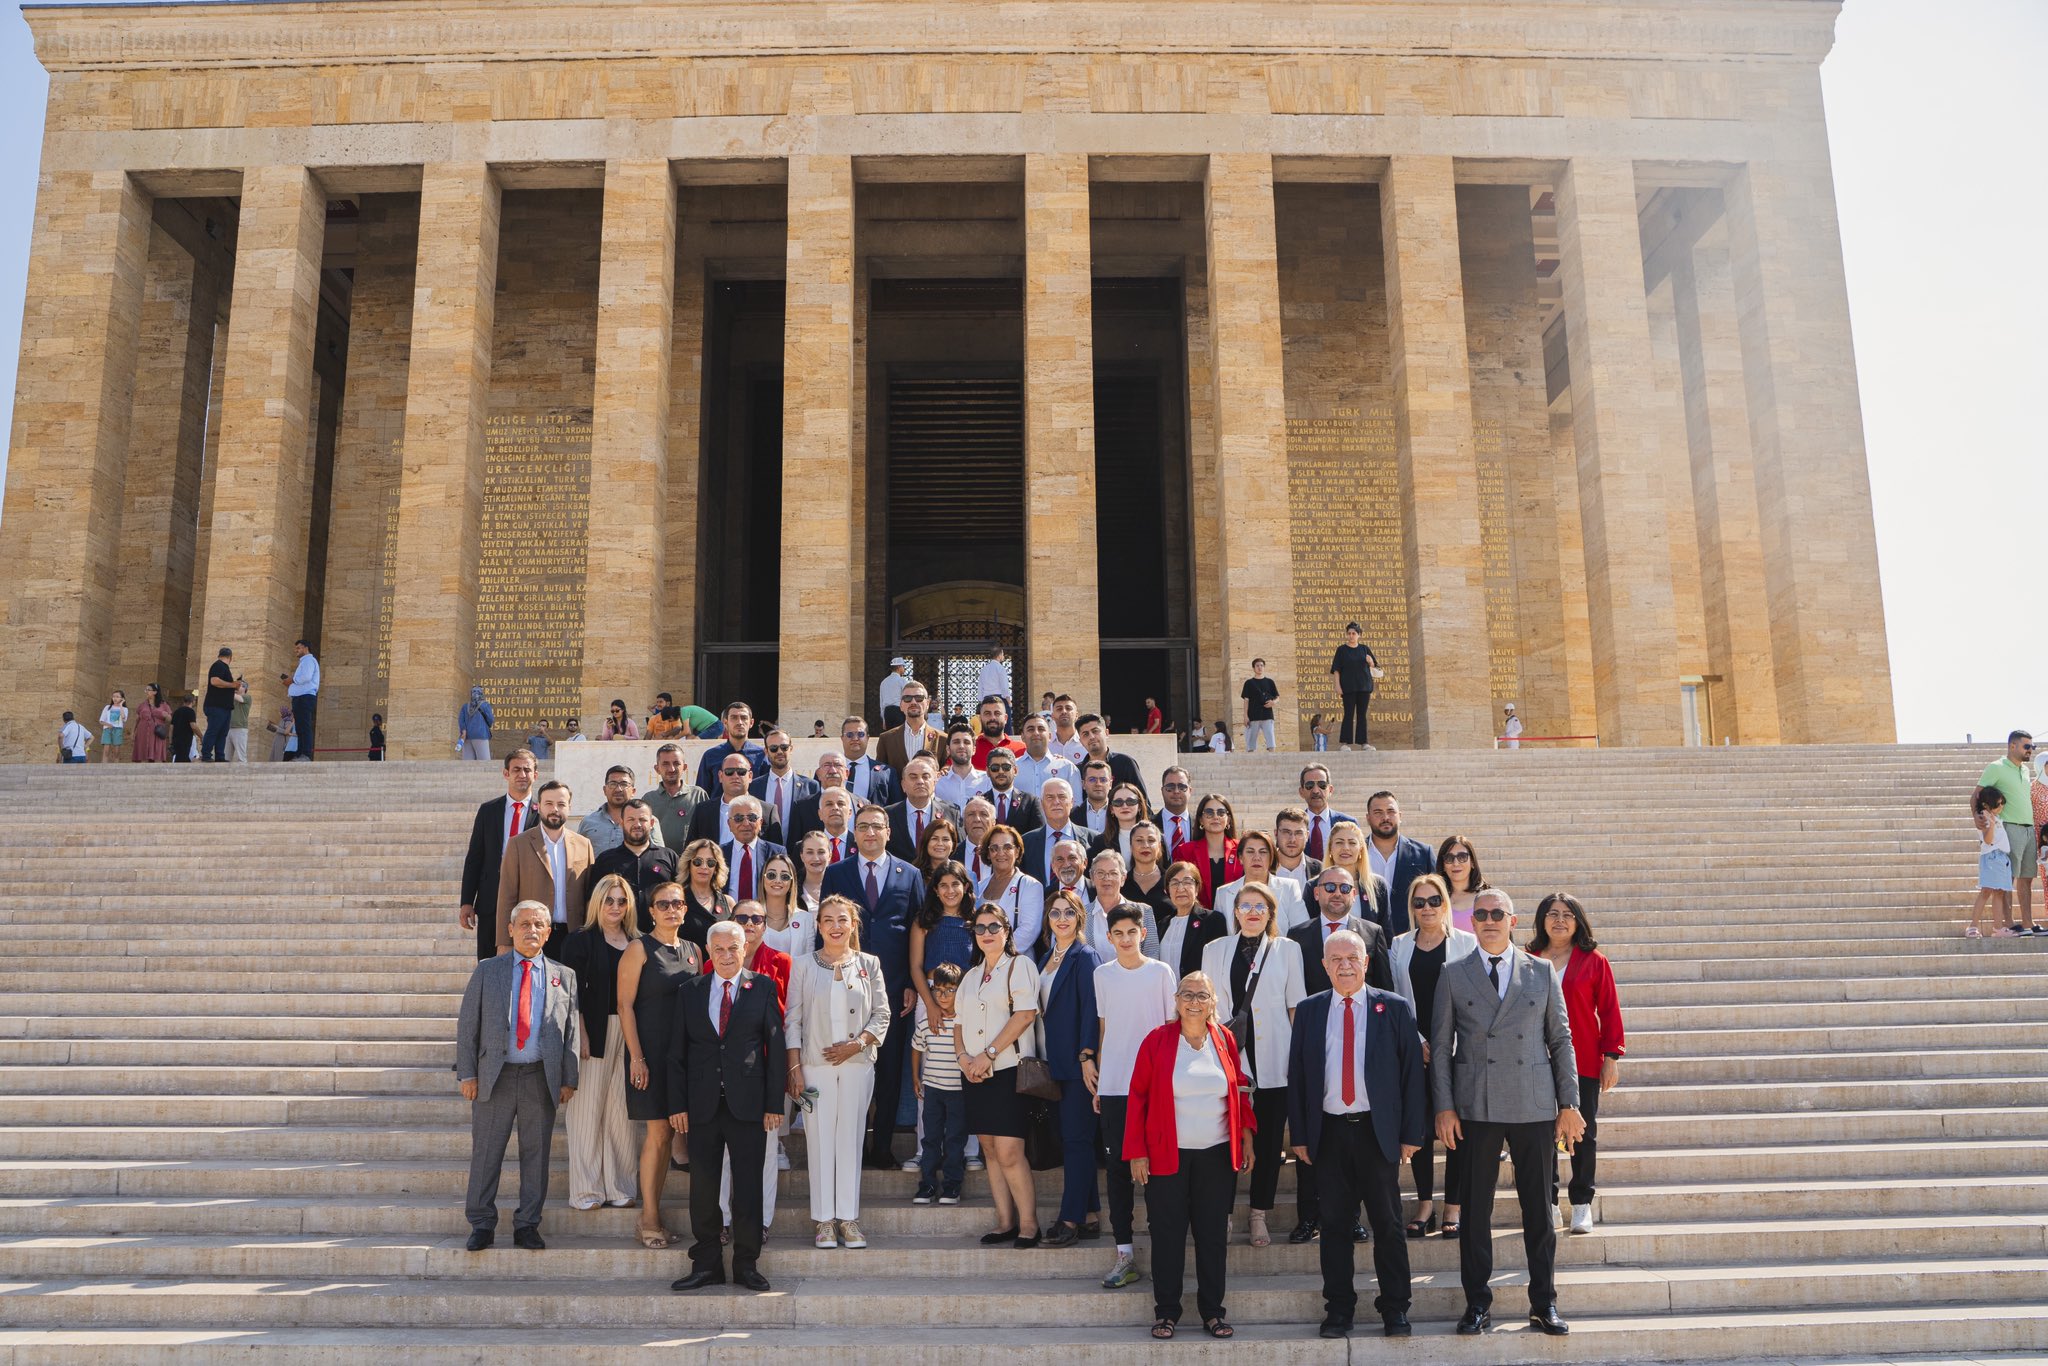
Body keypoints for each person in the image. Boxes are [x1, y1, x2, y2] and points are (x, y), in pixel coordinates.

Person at [1432, 889, 1583, 1337]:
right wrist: (1443, 1105)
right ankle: (1477, 1304)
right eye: (1481, 914)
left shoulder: (1542, 971)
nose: (1490, 920)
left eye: (1498, 913)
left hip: (1534, 1104)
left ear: (1513, 920)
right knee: (1475, 1212)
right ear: (1470, 922)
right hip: (1476, 1106)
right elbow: (1441, 1046)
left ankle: (1544, 1304)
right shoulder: (1453, 973)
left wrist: (1570, 1103)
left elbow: (1561, 1040)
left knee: (1539, 1210)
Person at [1287, 928, 1425, 1340]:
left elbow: (1410, 1078)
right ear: (1324, 965)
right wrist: (1299, 1134)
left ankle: (1395, 1309)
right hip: (1327, 1134)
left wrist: (1410, 1134)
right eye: (1337, 959)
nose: (1345, 965)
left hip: (1377, 1133)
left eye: (1353, 958)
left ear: (1366, 962)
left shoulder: (1394, 1008)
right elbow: (1297, 1077)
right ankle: (1339, 1311)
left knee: (1388, 1225)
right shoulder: (1310, 1010)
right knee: (1333, 1228)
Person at [1124, 970, 1255, 1339]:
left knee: (1213, 1236)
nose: (1194, 1002)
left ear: (1214, 1003)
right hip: (1167, 1156)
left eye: (1202, 995)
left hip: (1216, 1156)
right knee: (1167, 1235)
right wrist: (1137, 1152)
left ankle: (1213, 1312)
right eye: (1187, 994)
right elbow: (1137, 1099)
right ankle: (1167, 1312)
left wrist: (1246, 1137)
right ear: (1176, 1000)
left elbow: (1239, 1091)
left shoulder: (1224, 1038)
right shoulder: (1157, 1041)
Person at [667, 921, 786, 1293]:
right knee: (703, 1188)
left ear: (745, 948)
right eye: (718, 949)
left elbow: (776, 1048)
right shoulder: (691, 990)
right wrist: (677, 1105)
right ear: (708, 951)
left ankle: (747, 1264)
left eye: (733, 947)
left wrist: (773, 1102)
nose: (726, 955)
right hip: (701, 1106)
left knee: (748, 1188)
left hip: (749, 1105)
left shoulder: (763, 987)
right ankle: (706, 1264)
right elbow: (676, 1053)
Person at [456, 900, 580, 1251]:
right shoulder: (488, 971)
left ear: (549, 931)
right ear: (510, 929)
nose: (532, 930)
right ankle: (481, 1223)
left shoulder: (563, 975)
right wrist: (467, 1073)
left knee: (536, 1154)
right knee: (486, 1152)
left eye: (539, 924)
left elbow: (570, 1030)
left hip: (540, 1076)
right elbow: (468, 1026)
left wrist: (569, 1078)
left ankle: (527, 1224)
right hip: (495, 1076)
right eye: (524, 924)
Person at [1201, 881, 1305, 1249]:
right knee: (1226, 1140)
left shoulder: (1287, 950)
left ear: (1271, 913)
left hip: (1275, 1059)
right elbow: (1207, 1007)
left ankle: (1259, 1214)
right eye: (1245, 906)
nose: (1252, 913)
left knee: (1269, 1140)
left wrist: (1299, 1059)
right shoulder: (1214, 949)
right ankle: (1224, 1214)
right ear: (1235, 912)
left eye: (1260, 907)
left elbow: (1296, 1007)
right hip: (1229, 1061)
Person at [820, 805, 925, 1169]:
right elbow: (828, 928)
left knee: (890, 1070)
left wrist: (914, 982)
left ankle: (881, 1147)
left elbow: (916, 928)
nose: (869, 833)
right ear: (854, 831)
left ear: (888, 831)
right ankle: (850, 1146)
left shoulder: (909, 874)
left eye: (876, 827)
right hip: (846, 986)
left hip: (895, 988)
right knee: (850, 1070)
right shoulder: (836, 873)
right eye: (862, 826)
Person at [785, 895, 890, 1249]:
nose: (835, 926)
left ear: (853, 924)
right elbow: (793, 1020)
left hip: (858, 1065)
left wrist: (858, 1044)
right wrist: (795, 1067)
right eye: (828, 919)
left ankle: (848, 1219)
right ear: (818, 926)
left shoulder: (869, 963)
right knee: (818, 1142)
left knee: (850, 1139)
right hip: (814, 1068)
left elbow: (882, 1013)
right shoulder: (802, 965)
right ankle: (824, 1221)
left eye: (842, 919)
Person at [1087, 904, 1177, 1288]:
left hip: (1156, 1088)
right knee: (1119, 1176)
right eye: (1118, 933)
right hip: (1114, 1089)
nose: (1125, 939)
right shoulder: (1102, 975)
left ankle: (1164, 1255)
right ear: (1109, 938)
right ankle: (1124, 1254)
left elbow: (1172, 1029)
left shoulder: (1161, 972)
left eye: (1131, 932)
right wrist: (1105, 1079)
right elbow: (1105, 1029)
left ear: (1143, 934)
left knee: (1159, 1173)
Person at [1529, 892, 1624, 1234]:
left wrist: (1611, 1057)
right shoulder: (1527, 957)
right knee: (1541, 1133)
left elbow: (1610, 1010)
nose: (1559, 920)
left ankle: (1581, 1202)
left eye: (1567, 914)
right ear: (1542, 920)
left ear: (1578, 920)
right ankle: (1549, 1203)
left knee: (1583, 1132)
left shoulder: (1594, 960)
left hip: (1582, 1060)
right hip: (1535, 1060)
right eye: (1552, 914)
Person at [616, 882, 704, 1249]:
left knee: (674, 1134)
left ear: (685, 909)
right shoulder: (638, 949)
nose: (671, 909)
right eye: (663, 903)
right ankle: (649, 1217)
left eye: (677, 903)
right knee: (658, 1135)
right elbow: (624, 1007)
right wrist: (637, 1057)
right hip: (649, 1056)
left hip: (684, 1058)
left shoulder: (694, 950)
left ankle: (655, 1215)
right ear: (650, 910)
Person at [1388, 870, 1476, 1237]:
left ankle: (1453, 1204)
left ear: (1445, 902)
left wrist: (1444, 1042)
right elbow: (1396, 1000)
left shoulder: (1467, 943)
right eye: (1419, 902)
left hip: (1458, 1049)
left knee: (1456, 1129)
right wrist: (1418, 1039)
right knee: (1421, 1128)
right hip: (1416, 1050)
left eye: (1434, 900)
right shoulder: (1398, 946)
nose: (1427, 908)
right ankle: (1425, 1203)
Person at [955, 903, 1042, 1246]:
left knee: (1008, 1151)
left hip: (1007, 1070)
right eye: (980, 928)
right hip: (975, 1072)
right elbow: (958, 1023)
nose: (987, 934)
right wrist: (964, 1058)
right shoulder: (971, 975)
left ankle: (1029, 1224)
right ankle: (1005, 1222)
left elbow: (1024, 1015)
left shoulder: (1020, 966)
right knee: (989, 1149)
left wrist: (988, 1055)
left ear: (1006, 931)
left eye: (994, 927)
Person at [559, 876, 640, 1210]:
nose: (616, 907)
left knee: (622, 1114)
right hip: (593, 1029)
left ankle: (619, 1187)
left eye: (622, 901)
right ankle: (586, 1190)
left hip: (629, 1030)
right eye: (609, 900)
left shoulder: (637, 940)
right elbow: (569, 991)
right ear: (597, 902)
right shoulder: (580, 941)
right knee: (587, 1112)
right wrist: (581, 1032)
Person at [720, 900, 794, 1240]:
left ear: (766, 925)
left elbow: (789, 1021)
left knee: (764, 1150)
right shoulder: (713, 963)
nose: (750, 923)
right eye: (742, 918)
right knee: (721, 1151)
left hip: (765, 1069)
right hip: (723, 1072)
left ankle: (761, 1221)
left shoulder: (782, 963)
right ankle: (721, 1218)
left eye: (757, 919)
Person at [1034, 887, 1103, 1247]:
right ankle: (1091, 1213)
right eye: (1056, 912)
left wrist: (1088, 1055)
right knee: (1073, 1141)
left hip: (1077, 1065)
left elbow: (1093, 1010)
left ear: (1080, 917)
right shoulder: (1048, 956)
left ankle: (1071, 1219)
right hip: (1052, 1062)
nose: (1061, 918)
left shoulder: (1085, 956)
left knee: (1076, 1141)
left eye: (1069, 912)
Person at [496, 780, 595, 958]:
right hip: (533, 936)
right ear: (538, 807)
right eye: (549, 804)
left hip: (574, 936)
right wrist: (505, 942)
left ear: (569, 807)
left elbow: (589, 895)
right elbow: (507, 895)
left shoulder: (584, 845)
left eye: (561, 804)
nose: (555, 809)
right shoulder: (518, 844)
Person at [460, 749, 540, 961]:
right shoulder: (488, 811)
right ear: (506, 774)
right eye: (516, 770)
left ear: (535, 775)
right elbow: (475, 857)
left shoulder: (543, 812)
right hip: (491, 901)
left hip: (530, 901)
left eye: (527, 770)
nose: (522, 774)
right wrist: (467, 900)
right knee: (489, 964)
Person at [911, 961, 969, 1205]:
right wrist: (915, 1076)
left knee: (955, 1140)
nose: (943, 995)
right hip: (933, 1090)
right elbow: (916, 1048)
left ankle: (952, 1186)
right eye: (938, 990)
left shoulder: (966, 1023)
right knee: (931, 1139)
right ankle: (927, 1185)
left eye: (950, 990)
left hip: (959, 1091)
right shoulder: (927, 1022)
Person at [587, 800, 682, 932]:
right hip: (617, 938)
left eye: (642, 819)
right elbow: (593, 901)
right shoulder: (605, 860)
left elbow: (682, 898)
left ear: (652, 823)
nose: (637, 824)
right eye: (631, 819)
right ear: (621, 823)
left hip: (660, 938)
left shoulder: (669, 857)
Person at [1981, 732, 2039, 934]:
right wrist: (1978, 818)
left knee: (2027, 878)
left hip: (2028, 829)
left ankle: (2027, 923)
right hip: (2010, 827)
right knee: (2009, 877)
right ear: (2012, 746)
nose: (2030, 750)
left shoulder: (2025, 770)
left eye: (2032, 747)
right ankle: (2008, 922)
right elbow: (1977, 794)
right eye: (2027, 746)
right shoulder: (1996, 767)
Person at [1365, 792, 1434, 936]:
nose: (1385, 818)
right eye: (1378, 813)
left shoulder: (1423, 853)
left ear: (1400, 816)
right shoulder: (1357, 853)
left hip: (1412, 937)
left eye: (1391, 812)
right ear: (1368, 818)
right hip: (1367, 938)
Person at [1215, 830, 1308, 932]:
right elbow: (1220, 937)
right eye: (1250, 852)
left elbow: (1301, 931)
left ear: (1271, 858)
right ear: (1240, 858)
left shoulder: (1289, 887)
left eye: (1263, 852)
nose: (1256, 857)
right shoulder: (1223, 893)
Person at [978, 824, 1045, 951]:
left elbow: (1029, 930)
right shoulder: (980, 887)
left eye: (1007, 847)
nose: (1001, 853)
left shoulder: (1031, 885)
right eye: (994, 848)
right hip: (982, 962)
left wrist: (998, 955)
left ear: (1017, 851)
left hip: (1014, 961)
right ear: (988, 854)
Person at [1157, 859, 1226, 980]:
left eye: (1187, 882)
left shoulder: (1213, 920)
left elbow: (1219, 965)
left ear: (1197, 887)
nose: (1181, 888)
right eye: (1174, 883)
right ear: (1167, 890)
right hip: (1165, 995)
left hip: (1198, 995)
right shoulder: (1162, 924)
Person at [1085, 850, 1160, 960]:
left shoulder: (1144, 911)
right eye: (1100, 873)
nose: (1107, 878)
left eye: (1113, 873)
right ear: (1092, 877)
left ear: (1123, 878)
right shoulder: (1082, 914)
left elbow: (1152, 954)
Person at [1171, 792, 1242, 909]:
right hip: (1199, 919)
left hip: (1236, 917)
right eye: (1209, 813)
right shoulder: (1185, 851)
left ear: (1228, 820)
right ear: (1201, 820)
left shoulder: (1242, 849)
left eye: (1221, 813)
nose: (1215, 817)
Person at [886, 754, 960, 862]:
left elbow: (958, 853)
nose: (920, 781)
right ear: (903, 785)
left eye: (925, 776)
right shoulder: (888, 815)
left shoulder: (952, 814)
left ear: (934, 783)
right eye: (913, 777)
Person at [585, 765, 670, 856]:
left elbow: (659, 856)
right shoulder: (588, 822)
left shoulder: (648, 821)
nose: (618, 789)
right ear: (605, 790)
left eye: (624, 784)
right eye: (613, 784)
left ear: (633, 791)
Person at [1022, 778, 1090, 885]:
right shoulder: (1026, 842)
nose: (1056, 802)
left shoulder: (1094, 840)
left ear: (1072, 802)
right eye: (1050, 797)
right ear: (1041, 803)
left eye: (1062, 796)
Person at [642, 743, 708, 852]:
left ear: (684, 767)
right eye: (665, 764)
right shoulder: (648, 799)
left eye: (676, 763)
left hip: (692, 863)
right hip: (660, 862)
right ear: (657, 768)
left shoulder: (698, 795)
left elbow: (707, 831)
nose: (671, 769)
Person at [750, 728, 816, 836]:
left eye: (784, 747)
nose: (780, 752)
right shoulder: (753, 787)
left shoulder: (811, 786)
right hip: (765, 851)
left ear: (791, 749)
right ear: (766, 752)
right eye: (774, 748)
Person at [1971, 785, 2016, 938]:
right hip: (1992, 856)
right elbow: (1988, 840)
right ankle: (1973, 926)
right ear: (1986, 805)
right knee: (1986, 892)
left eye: (2002, 803)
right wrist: (1990, 822)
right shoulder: (1984, 816)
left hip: (2001, 858)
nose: (2001, 807)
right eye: (1998, 804)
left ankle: (1998, 928)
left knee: (1999, 893)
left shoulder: (1993, 816)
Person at [675, 838, 735, 950]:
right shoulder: (676, 901)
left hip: (721, 966)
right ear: (689, 865)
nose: (704, 867)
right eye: (697, 862)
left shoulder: (728, 902)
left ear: (716, 868)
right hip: (688, 965)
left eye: (710, 863)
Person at [1328, 622, 1380, 750]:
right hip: (1348, 688)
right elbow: (1336, 670)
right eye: (1349, 633)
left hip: (1364, 687)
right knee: (1348, 714)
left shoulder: (1364, 649)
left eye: (1354, 633)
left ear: (1359, 635)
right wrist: (1337, 686)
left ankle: (1364, 743)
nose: (1351, 636)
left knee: (1362, 714)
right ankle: (1345, 743)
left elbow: (1375, 666)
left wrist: (1371, 662)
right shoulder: (1341, 650)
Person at [693, 701, 766, 792]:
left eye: (743, 718)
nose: (739, 722)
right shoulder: (710, 756)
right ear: (725, 722)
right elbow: (702, 793)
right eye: (734, 718)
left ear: (751, 723)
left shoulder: (762, 755)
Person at [877, 678, 942, 773]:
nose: (913, 702)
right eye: (907, 698)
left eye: (919, 698)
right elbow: (880, 774)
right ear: (901, 705)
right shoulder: (886, 739)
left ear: (927, 703)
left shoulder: (942, 739)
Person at [1076, 712, 1146, 797]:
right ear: (1081, 742)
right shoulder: (1077, 771)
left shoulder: (1125, 763)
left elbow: (1143, 802)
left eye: (1095, 731)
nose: (1091, 737)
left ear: (1106, 733)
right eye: (1085, 734)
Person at [758, 850, 814, 955]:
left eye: (785, 877)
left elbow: (808, 961)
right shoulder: (750, 916)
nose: (777, 880)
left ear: (791, 883)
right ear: (763, 879)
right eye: (771, 875)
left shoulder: (806, 919)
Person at [1014, 713, 1079, 799]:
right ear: (1022, 736)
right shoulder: (1012, 768)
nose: (1036, 733)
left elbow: (1076, 803)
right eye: (1030, 729)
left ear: (1049, 736)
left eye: (1041, 729)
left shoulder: (1067, 768)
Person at [1297, 763, 1353, 862]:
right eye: (1309, 785)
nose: (1316, 791)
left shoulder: (1347, 822)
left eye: (1322, 785)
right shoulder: (1294, 824)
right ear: (1301, 792)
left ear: (1330, 790)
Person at [1437, 834, 1491, 934]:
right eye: (1449, 858)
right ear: (1443, 865)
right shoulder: (1435, 900)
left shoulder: (1489, 897)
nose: (1456, 863)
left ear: (1473, 862)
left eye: (1462, 857)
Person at [934, 724, 992, 812]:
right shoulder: (938, 783)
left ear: (974, 750)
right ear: (948, 749)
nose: (961, 746)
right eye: (956, 742)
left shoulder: (987, 781)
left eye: (966, 742)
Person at [982, 749, 1040, 833]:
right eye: (995, 768)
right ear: (987, 771)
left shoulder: (1030, 802)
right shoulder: (979, 802)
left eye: (1006, 767)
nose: (1001, 771)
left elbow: (1037, 837)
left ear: (1015, 770)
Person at [282, 638, 319, 760]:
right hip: (300, 697)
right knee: (300, 727)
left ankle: (305, 753)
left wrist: (291, 680)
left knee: (304, 726)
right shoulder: (304, 662)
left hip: (305, 697)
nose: (296, 651)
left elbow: (306, 677)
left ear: (305, 648)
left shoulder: (308, 660)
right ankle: (300, 752)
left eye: (298, 648)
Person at [1270, 807, 1321, 891]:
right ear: (1276, 834)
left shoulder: (1320, 870)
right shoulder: (1262, 868)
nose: (1292, 839)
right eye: (1286, 832)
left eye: (1298, 833)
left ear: (1307, 836)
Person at [971, 695, 1026, 770]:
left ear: (1006, 718)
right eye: (987, 713)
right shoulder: (970, 750)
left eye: (997, 713)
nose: (992, 717)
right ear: (980, 718)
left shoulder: (1022, 750)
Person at [202, 646, 237, 762]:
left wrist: (233, 686)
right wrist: (233, 685)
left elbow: (221, 684)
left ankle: (220, 756)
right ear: (230, 658)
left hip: (224, 707)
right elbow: (214, 681)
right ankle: (206, 755)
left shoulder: (223, 667)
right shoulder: (218, 665)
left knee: (222, 732)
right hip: (216, 706)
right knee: (213, 730)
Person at [1240, 658, 1279, 752]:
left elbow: (1277, 697)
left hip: (1267, 714)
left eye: (1261, 665)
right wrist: (1245, 716)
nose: (1260, 667)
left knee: (1270, 738)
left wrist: (1273, 702)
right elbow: (1246, 700)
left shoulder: (1270, 682)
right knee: (1251, 741)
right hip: (1253, 715)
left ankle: (1273, 758)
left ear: (1264, 667)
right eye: (1257, 665)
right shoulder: (1249, 683)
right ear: (1253, 668)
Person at [913, 816, 962, 883]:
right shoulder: (912, 874)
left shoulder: (964, 874)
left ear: (953, 845)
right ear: (926, 842)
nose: (940, 844)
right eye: (934, 839)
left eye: (945, 839)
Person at [1076, 757, 1115, 836]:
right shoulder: (1073, 815)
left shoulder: (1120, 812)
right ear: (1083, 784)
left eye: (1103, 780)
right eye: (1092, 779)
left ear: (1110, 784)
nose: (1098, 784)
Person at [131, 683, 169, 763]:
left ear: (155, 692)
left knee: (155, 752)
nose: (146, 692)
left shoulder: (163, 705)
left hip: (156, 732)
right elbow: (137, 719)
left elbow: (170, 719)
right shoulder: (142, 705)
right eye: (146, 690)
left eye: (148, 690)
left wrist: (165, 715)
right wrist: (133, 732)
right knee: (142, 750)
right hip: (143, 731)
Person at [457, 685, 494, 759]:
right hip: (481, 735)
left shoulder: (465, 706)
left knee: (468, 762)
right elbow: (490, 719)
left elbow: (461, 720)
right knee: (484, 761)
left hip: (467, 736)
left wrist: (463, 731)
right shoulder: (485, 705)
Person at [975, 646, 1012, 719]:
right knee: (1005, 721)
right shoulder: (1000, 668)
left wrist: (981, 701)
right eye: (1003, 654)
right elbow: (1004, 687)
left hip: (986, 699)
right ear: (999, 655)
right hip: (999, 698)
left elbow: (980, 687)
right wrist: (1009, 702)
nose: (1003, 656)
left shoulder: (984, 669)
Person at [879, 656, 912, 730]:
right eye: (903, 666)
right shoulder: (902, 681)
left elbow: (881, 702)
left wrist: (884, 719)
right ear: (899, 667)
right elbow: (906, 698)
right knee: (899, 735)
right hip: (898, 711)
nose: (904, 668)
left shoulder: (884, 682)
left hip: (887, 712)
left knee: (890, 736)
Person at [97, 690, 127, 762]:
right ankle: (103, 766)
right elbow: (101, 720)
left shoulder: (125, 709)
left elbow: (124, 719)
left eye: (117, 697)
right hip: (107, 729)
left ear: (122, 698)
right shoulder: (107, 707)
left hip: (118, 730)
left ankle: (116, 767)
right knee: (106, 750)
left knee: (117, 752)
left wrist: (121, 706)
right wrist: (108, 724)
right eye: (113, 696)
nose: (115, 698)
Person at [227, 680, 252, 763]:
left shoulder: (247, 697)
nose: (236, 687)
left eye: (239, 685)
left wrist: (228, 688)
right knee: (225, 757)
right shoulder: (232, 698)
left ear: (244, 688)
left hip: (240, 729)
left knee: (241, 757)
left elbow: (239, 699)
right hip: (228, 728)